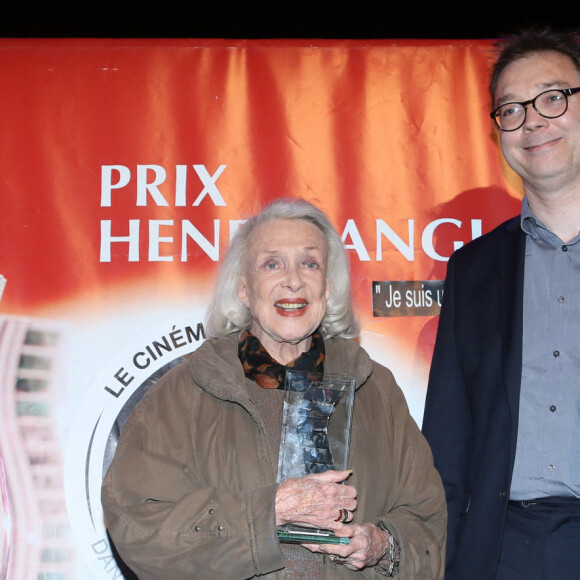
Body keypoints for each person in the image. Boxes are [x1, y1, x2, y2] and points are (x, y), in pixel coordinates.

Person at [102, 198, 446, 579]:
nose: (294, 280)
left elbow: (426, 522)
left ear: (328, 287)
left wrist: (381, 545)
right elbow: (139, 524)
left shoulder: (374, 389)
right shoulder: (183, 393)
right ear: (245, 289)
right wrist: (271, 511)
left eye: (309, 263)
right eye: (272, 263)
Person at [422, 27, 580, 580]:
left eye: (553, 97)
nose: (532, 119)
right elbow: (447, 440)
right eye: (510, 109)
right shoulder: (474, 269)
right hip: (500, 549)